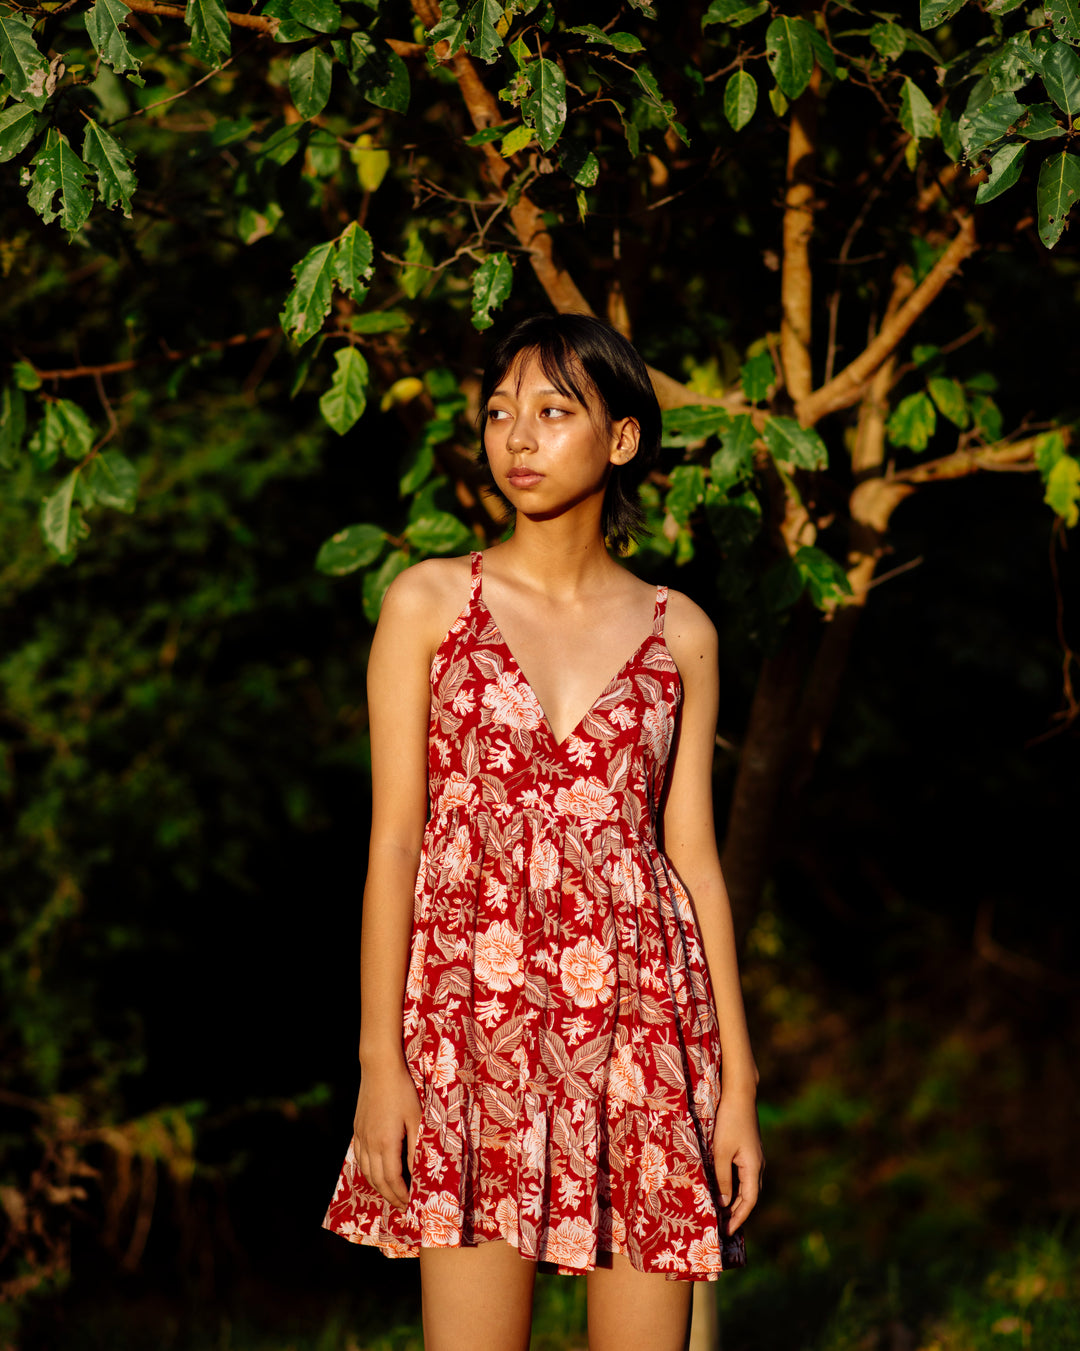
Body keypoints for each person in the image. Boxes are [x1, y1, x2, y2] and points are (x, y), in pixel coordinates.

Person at [323, 313, 764, 1351]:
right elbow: (394, 844)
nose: (517, 437)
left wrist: (737, 1085)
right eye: (500, 413)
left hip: (646, 1038)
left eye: (554, 412)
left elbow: (691, 861)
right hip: (474, 1037)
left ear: (621, 440)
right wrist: (379, 1065)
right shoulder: (430, 602)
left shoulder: (680, 631)